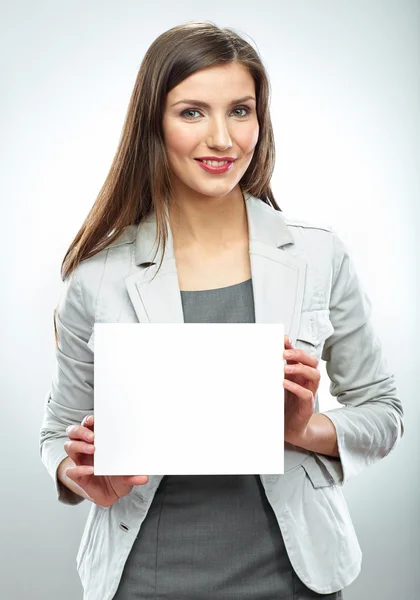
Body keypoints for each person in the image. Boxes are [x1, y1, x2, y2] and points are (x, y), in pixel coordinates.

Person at [39, 20, 404, 600]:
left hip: (295, 579)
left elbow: (384, 412)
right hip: (145, 580)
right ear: (153, 124)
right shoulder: (97, 278)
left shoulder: (318, 254)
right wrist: (79, 473)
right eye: (192, 112)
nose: (223, 139)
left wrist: (306, 429)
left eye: (240, 111)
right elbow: (59, 433)